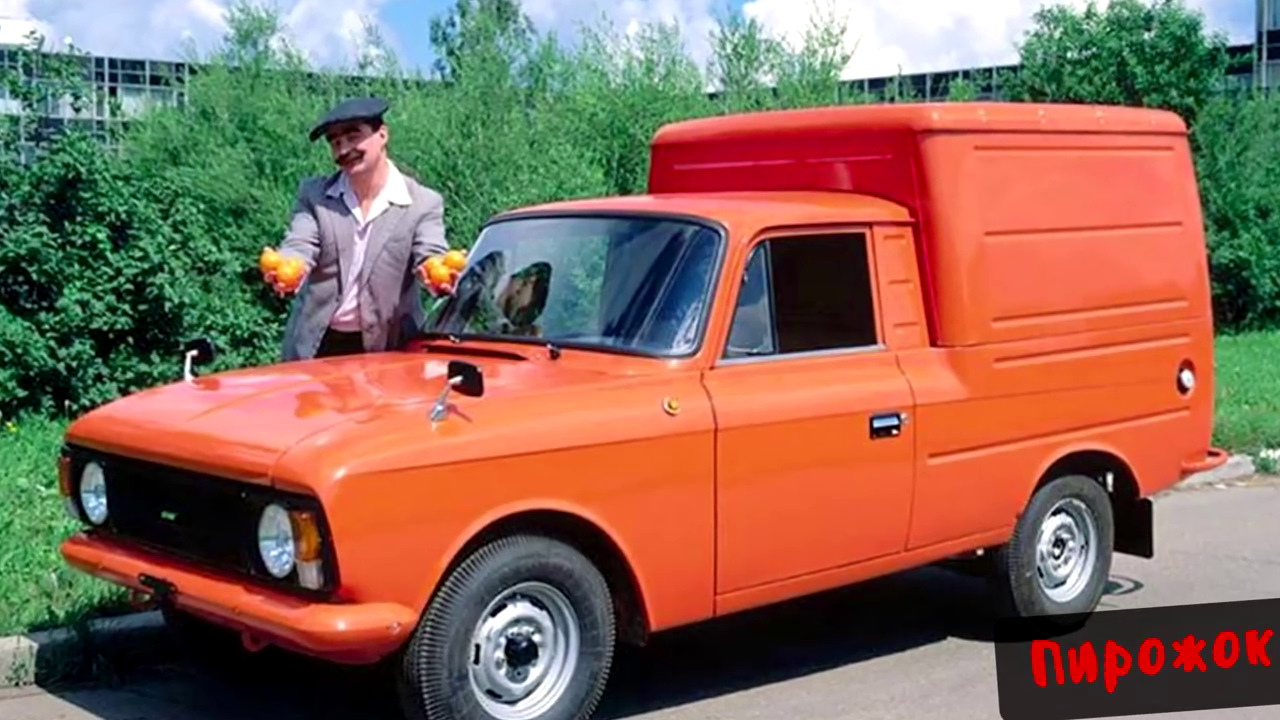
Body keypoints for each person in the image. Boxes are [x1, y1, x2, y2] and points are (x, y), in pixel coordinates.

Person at [264, 96, 455, 361]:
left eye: (353, 137)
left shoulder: (423, 203)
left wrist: (437, 276)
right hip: (317, 347)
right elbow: (300, 244)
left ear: (382, 135)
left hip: (388, 349)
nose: (344, 149)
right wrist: (288, 268)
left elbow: (431, 253)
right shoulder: (315, 195)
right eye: (335, 142)